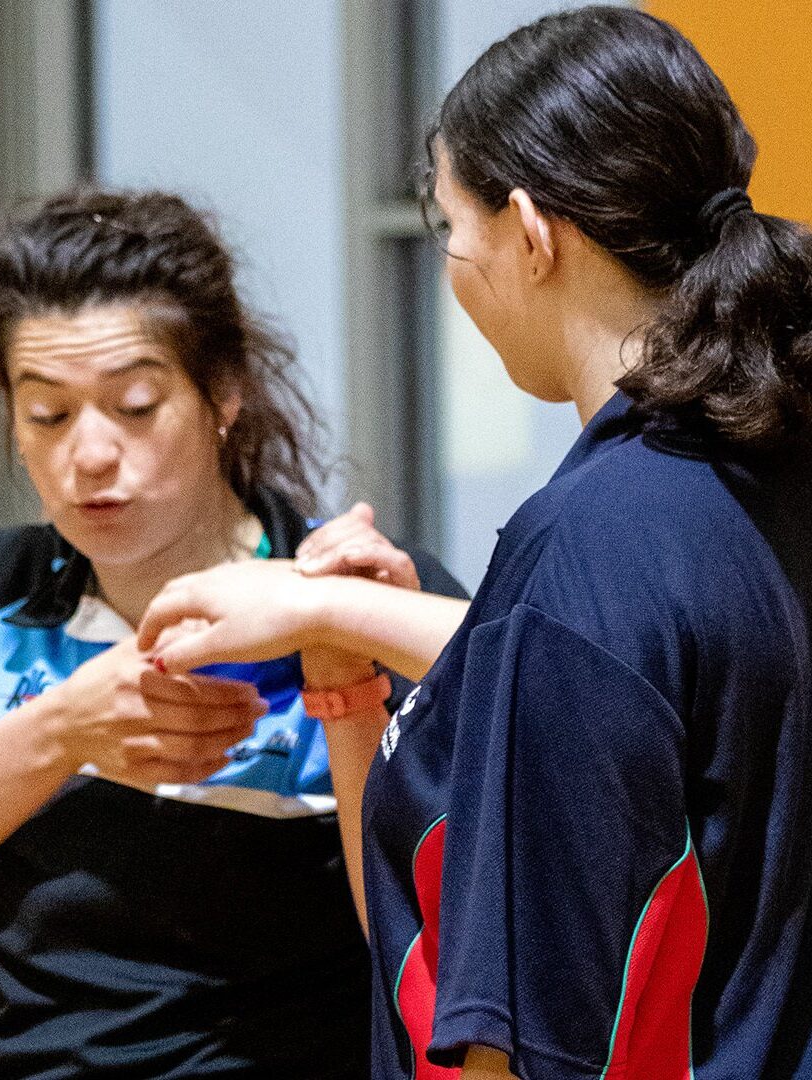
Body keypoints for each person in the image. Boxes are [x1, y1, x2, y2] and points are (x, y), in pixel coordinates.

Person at [137, 7, 812, 1079]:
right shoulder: (757, 483)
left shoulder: (584, 551)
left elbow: (520, 1035)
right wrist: (335, 626)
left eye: (454, 228)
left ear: (534, 235)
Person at [0, 189, 468, 1078]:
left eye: (137, 404)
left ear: (223, 393)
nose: (91, 453)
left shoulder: (349, 594)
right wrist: (60, 731)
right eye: (49, 415)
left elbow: (443, 938)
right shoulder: (4, 594)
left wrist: (341, 669)